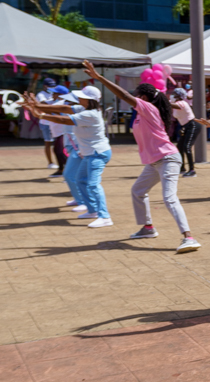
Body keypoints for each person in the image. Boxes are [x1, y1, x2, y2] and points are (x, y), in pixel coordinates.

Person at [81, 62, 201, 251]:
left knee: (169, 198)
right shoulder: (142, 113)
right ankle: (147, 227)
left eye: (137, 95)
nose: (134, 98)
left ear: (143, 97)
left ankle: (189, 237)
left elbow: (123, 95)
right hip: (154, 162)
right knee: (137, 191)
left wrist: (100, 78)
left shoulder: (148, 108)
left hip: (168, 158)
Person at [25, 85, 114, 228]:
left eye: (81, 97)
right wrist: (37, 105)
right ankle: (92, 211)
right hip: (90, 153)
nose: (78, 98)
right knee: (80, 180)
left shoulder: (89, 114)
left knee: (93, 184)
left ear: (88, 99)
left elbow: (63, 120)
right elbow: (62, 109)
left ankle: (105, 217)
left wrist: (39, 114)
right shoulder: (85, 109)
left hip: (97, 153)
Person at [171, 88, 200, 177]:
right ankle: (182, 168)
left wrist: (163, 101)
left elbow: (175, 106)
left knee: (187, 147)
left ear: (178, 96)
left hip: (192, 125)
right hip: (185, 126)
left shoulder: (182, 103)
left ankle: (192, 170)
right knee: (179, 147)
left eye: (174, 94)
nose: (172, 96)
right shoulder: (175, 104)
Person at [45, 85, 70, 178]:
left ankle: (70, 171)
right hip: (57, 131)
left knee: (60, 151)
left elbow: (56, 112)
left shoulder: (62, 103)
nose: (53, 95)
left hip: (63, 131)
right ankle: (61, 170)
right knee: (56, 150)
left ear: (60, 95)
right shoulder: (56, 102)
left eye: (55, 93)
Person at [36, 77, 59, 170]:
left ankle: (60, 162)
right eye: (49, 86)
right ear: (44, 86)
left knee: (59, 143)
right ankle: (50, 162)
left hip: (55, 121)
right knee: (48, 142)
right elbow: (43, 104)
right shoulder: (41, 94)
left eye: (53, 86)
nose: (51, 88)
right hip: (45, 122)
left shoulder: (54, 94)